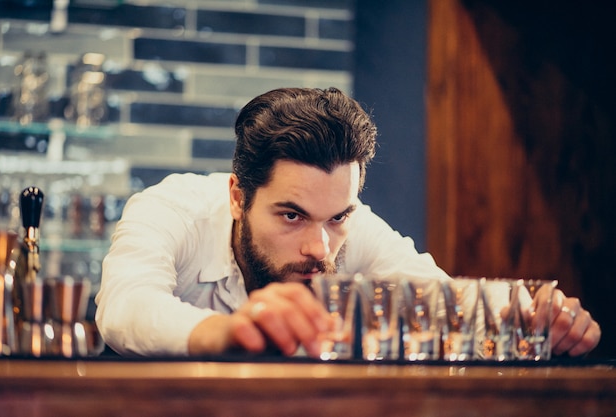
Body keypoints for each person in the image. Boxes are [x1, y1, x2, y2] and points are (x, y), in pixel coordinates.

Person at [95, 87, 601, 358]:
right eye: (291, 215)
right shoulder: (170, 209)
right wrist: (228, 332)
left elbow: (444, 298)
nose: (320, 247)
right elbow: (125, 307)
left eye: (336, 217)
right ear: (237, 197)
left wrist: (532, 315)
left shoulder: (349, 228)